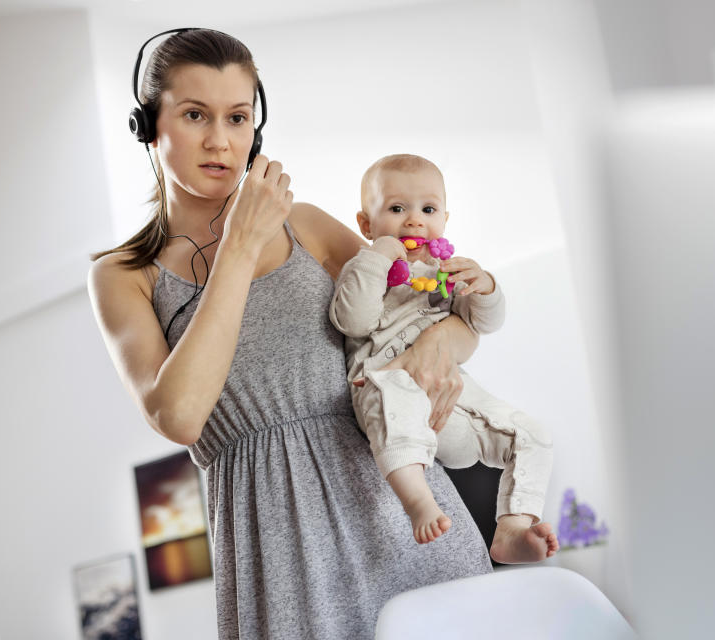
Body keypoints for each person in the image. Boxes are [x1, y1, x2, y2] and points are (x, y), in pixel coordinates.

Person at [87, 29, 492, 640]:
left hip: (398, 508)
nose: (220, 140)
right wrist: (239, 245)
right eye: (195, 114)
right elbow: (180, 415)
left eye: (238, 117)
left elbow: (437, 316)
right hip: (274, 549)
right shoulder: (123, 276)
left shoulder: (305, 226)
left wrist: (438, 352)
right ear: (148, 125)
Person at [329, 154, 560, 564]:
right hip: (389, 393)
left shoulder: (445, 271)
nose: (414, 221)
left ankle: (512, 527)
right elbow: (353, 320)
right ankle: (418, 501)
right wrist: (378, 256)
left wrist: (485, 285)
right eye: (396, 209)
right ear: (366, 224)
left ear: (444, 220)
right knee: (394, 391)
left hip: (451, 399)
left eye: (428, 209)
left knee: (531, 432)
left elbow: (482, 323)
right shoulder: (364, 269)